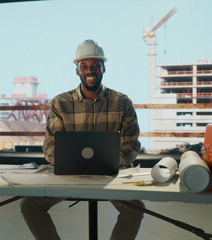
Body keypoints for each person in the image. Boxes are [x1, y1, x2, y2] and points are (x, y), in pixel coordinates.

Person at [20, 39, 145, 240]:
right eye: (84, 66)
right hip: (69, 176)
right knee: (30, 205)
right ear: (77, 70)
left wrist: (116, 161)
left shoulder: (122, 101)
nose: (90, 70)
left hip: (110, 176)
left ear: (104, 67)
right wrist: (65, 162)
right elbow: (50, 143)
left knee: (136, 207)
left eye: (96, 65)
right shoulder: (61, 103)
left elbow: (132, 142)